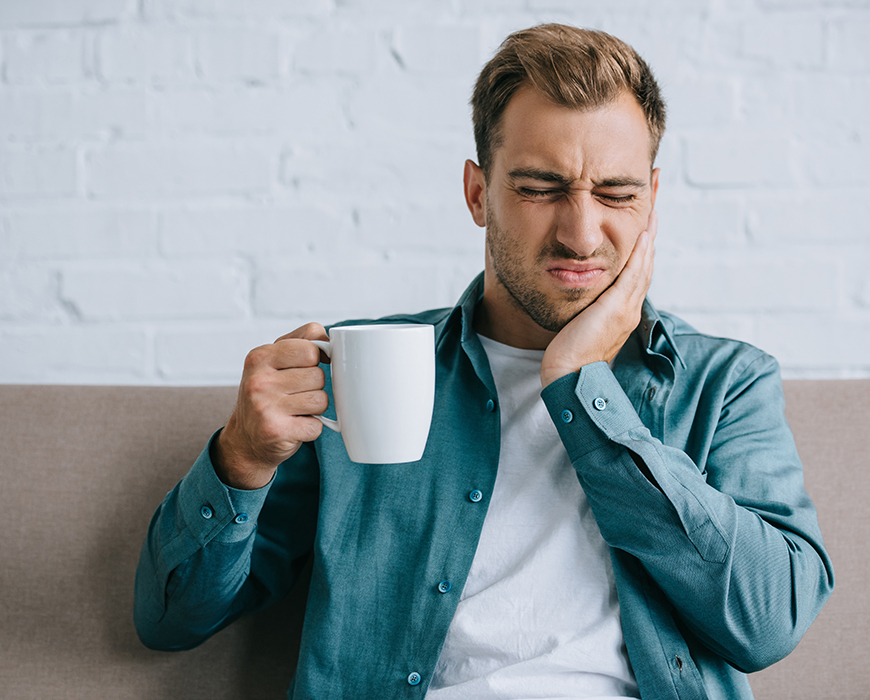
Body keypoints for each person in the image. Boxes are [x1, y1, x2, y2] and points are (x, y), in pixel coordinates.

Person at [135, 23, 834, 700]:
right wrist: (242, 459)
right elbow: (171, 621)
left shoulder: (726, 383)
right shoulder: (355, 371)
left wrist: (581, 386)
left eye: (617, 194)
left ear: (651, 200)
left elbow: (768, 625)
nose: (581, 232)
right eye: (539, 188)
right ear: (478, 194)